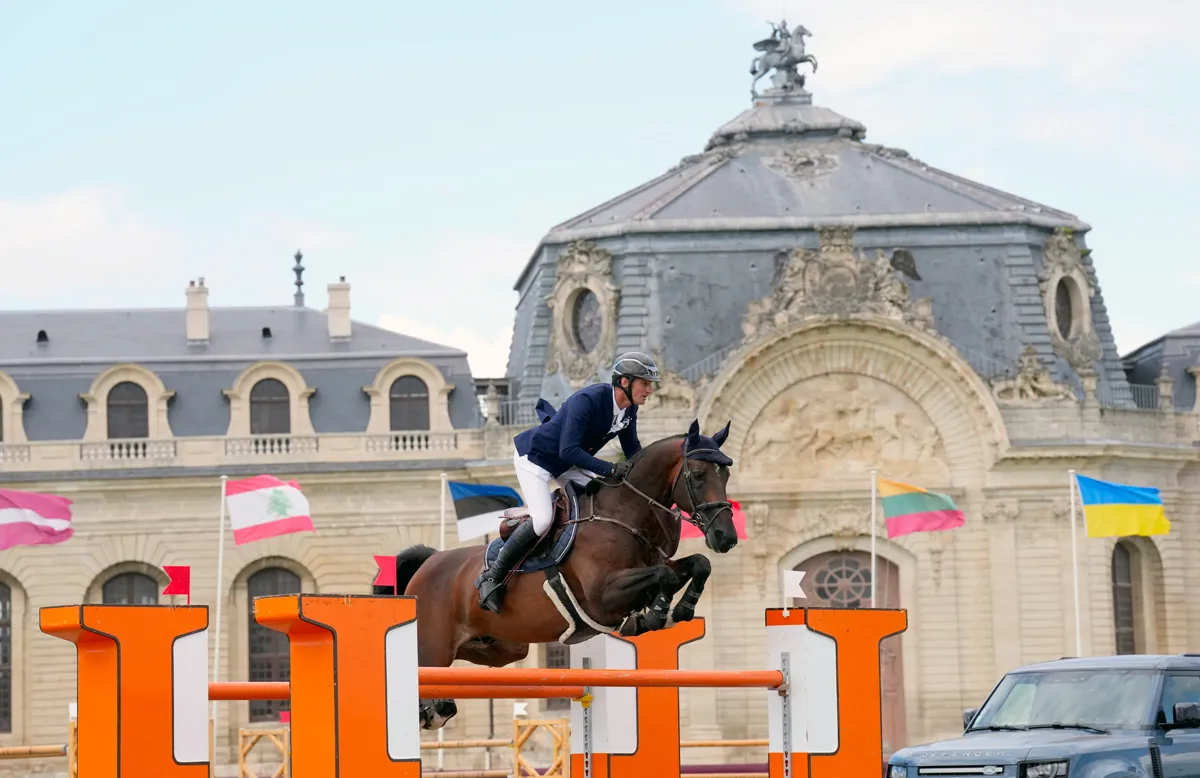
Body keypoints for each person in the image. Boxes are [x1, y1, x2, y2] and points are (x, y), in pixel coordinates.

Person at [477, 352, 661, 612]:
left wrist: (648, 478)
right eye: (645, 383)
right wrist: (610, 468)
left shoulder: (629, 408)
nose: (650, 390)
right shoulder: (588, 400)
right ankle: (493, 576)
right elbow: (568, 450)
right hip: (536, 460)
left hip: (568, 463)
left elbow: (632, 448)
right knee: (542, 520)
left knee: (603, 499)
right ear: (625, 383)